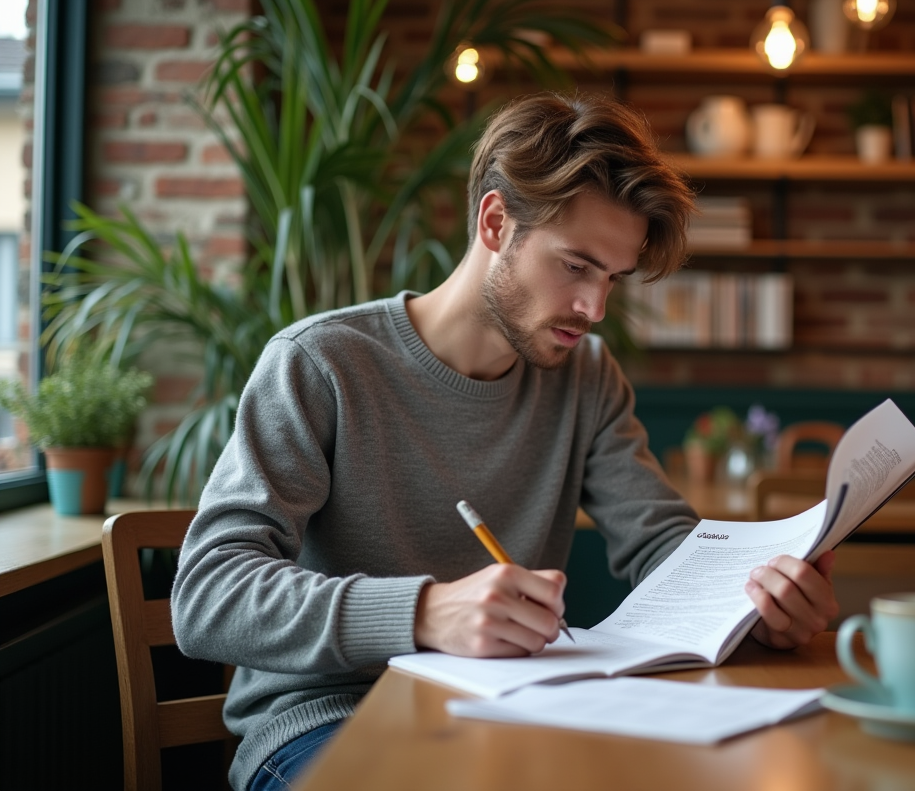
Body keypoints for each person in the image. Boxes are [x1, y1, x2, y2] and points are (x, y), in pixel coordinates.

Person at [171, 92, 839, 791]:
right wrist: (426, 612)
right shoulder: (322, 362)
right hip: (326, 722)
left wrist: (756, 608)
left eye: (611, 278)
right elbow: (208, 595)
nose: (595, 308)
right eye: (576, 266)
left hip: (515, 713)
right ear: (496, 222)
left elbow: (661, 544)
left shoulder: (585, 376)